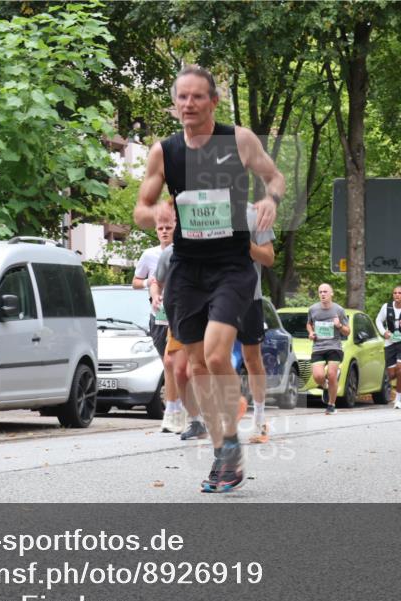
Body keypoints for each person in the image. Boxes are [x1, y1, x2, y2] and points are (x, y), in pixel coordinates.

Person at [133, 64, 285, 493]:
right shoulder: (165, 152)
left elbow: (274, 176)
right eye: (182, 97)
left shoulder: (239, 140)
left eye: (197, 96)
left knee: (218, 357)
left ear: (213, 102)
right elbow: (140, 210)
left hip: (232, 265)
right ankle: (225, 449)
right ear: (174, 104)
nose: (189, 104)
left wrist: (270, 200)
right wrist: (156, 211)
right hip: (187, 269)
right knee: (196, 365)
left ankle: (230, 439)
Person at [150, 243, 207, 442]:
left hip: (205, 316)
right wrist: (155, 295)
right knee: (179, 371)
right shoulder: (169, 253)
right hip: (179, 318)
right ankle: (196, 421)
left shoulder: (210, 247)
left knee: (195, 370)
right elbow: (156, 281)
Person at [132, 213, 182, 433]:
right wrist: (149, 285)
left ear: (175, 228)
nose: (164, 232)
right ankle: (174, 409)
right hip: (159, 315)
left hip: (181, 313)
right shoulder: (149, 254)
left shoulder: (183, 252)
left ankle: (177, 410)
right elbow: (135, 281)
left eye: (168, 228)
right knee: (167, 363)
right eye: (160, 228)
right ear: (156, 231)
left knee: (177, 363)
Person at [239, 204, 276, 443]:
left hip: (248, 297)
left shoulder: (254, 213)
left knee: (252, 359)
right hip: (213, 295)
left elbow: (269, 257)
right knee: (210, 355)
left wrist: (244, 243)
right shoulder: (204, 209)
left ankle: (260, 419)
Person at [307, 284, 350, 415]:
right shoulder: (313, 309)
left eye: (325, 291)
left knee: (331, 375)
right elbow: (309, 324)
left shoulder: (339, 310)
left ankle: (331, 405)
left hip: (334, 346)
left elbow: (347, 332)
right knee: (318, 376)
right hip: (318, 347)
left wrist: (339, 325)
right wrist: (311, 333)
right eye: (320, 292)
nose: (323, 294)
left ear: (331, 293)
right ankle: (326, 385)